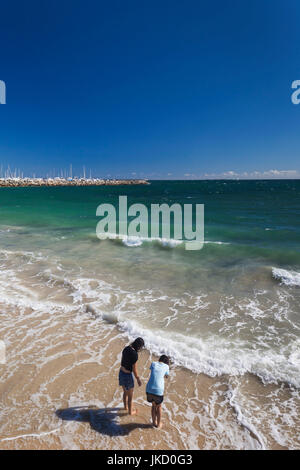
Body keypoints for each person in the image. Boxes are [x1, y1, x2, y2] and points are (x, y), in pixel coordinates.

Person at [119, 337, 144, 415]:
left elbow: (122, 361)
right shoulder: (134, 354)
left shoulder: (126, 348)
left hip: (121, 373)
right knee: (130, 396)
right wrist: (138, 379)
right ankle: (130, 412)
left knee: (125, 392)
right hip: (128, 375)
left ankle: (125, 407)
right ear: (139, 346)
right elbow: (134, 369)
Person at [146, 355, 170, 428]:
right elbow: (166, 376)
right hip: (158, 391)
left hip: (149, 389)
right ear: (166, 362)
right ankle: (158, 424)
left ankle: (154, 422)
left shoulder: (153, 363)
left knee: (153, 405)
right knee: (159, 407)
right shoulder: (166, 366)